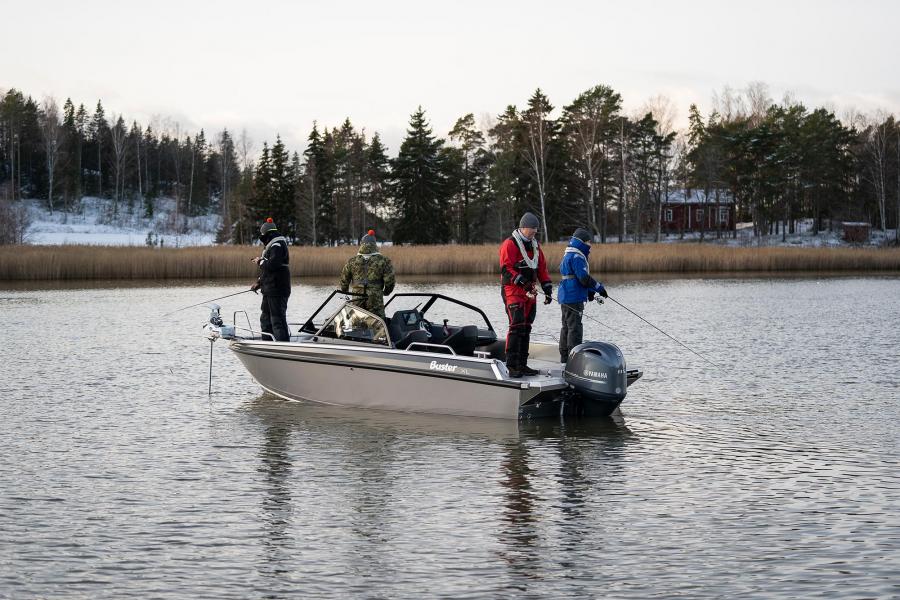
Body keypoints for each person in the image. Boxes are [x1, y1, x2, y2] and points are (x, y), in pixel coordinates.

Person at [499, 212, 553, 378]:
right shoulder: (510, 244)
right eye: (533, 229)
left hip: (531, 292)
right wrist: (522, 281)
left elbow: (541, 268)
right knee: (516, 327)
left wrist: (547, 287)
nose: (535, 232)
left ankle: (522, 364)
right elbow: (506, 269)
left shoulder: (535, 246)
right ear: (523, 228)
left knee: (526, 328)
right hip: (513, 291)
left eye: (536, 230)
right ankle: (511, 365)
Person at [557, 227, 607, 363]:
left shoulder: (569, 254)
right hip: (573, 296)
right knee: (575, 328)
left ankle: (564, 357)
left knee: (566, 326)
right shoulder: (577, 256)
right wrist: (599, 288)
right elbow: (583, 278)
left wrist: (590, 292)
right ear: (582, 242)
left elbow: (577, 278)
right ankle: (574, 359)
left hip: (566, 295)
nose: (590, 245)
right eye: (588, 242)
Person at [250, 218, 291, 342]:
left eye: (262, 235)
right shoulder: (272, 245)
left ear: (267, 234)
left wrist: (259, 261)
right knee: (265, 320)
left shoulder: (277, 245)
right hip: (269, 290)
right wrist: (259, 283)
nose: (262, 238)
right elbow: (268, 271)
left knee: (277, 320)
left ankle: (283, 348)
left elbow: (273, 265)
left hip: (277, 290)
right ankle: (268, 344)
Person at [339, 229, 395, 320]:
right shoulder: (384, 261)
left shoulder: (352, 261)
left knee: (357, 321)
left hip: (357, 297)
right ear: (375, 244)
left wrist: (345, 291)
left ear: (361, 244)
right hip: (375, 297)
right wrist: (386, 292)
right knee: (378, 322)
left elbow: (344, 280)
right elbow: (390, 281)